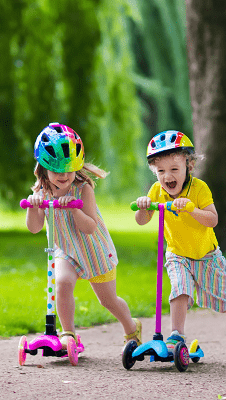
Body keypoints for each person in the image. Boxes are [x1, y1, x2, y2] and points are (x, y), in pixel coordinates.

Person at [134, 130, 226, 353]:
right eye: (160, 171)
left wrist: (192, 209)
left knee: (218, 302)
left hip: (207, 256)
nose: (167, 176)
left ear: (188, 166)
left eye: (174, 169)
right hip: (177, 254)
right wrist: (143, 206)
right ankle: (176, 336)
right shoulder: (156, 191)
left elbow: (213, 219)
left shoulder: (199, 188)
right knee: (180, 289)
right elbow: (142, 220)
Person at [25, 122, 141, 350]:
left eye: (68, 169)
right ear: (43, 167)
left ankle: (131, 327)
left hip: (93, 250)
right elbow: (34, 228)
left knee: (108, 301)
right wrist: (33, 206)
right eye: (57, 170)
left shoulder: (83, 189)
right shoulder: (41, 190)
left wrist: (74, 209)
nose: (63, 175)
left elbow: (89, 227)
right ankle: (68, 334)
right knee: (62, 282)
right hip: (66, 249)